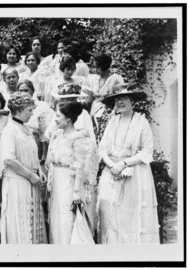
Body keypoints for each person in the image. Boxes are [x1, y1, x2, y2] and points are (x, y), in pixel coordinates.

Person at [97, 84, 160, 244]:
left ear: (132, 101)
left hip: (135, 174)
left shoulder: (141, 122)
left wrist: (124, 164)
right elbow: (102, 148)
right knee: (110, 214)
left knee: (131, 216)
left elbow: (147, 151)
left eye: (124, 98)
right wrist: (112, 165)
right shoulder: (112, 122)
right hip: (111, 173)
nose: (120, 102)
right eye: (117, 99)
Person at [0, 92, 47, 244]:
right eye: (29, 110)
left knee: (32, 222)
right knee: (20, 220)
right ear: (18, 110)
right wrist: (30, 176)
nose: (32, 114)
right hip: (17, 182)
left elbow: (32, 153)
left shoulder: (27, 129)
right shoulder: (9, 130)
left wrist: (40, 170)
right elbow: (9, 159)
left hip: (31, 181)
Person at [45, 102, 98, 244]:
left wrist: (76, 192)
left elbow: (80, 166)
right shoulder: (56, 135)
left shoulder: (79, 138)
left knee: (67, 218)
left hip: (69, 181)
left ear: (68, 118)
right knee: (56, 218)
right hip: (56, 180)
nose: (55, 119)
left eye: (58, 116)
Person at [82, 53, 124, 137]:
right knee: (95, 135)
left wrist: (112, 112)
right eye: (94, 67)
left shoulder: (115, 79)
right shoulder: (92, 79)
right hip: (94, 111)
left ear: (104, 66)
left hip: (110, 112)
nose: (95, 69)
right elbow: (89, 99)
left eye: (97, 67)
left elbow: (121, 98)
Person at [16, 79, 54, 162]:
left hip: (35, 145)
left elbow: (45, 133)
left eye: (26, 90)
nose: (23, 93)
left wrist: (44, 156)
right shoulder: (15, 107)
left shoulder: (41, 106)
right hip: (18, 145)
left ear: (32, 92)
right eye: (20, 91)